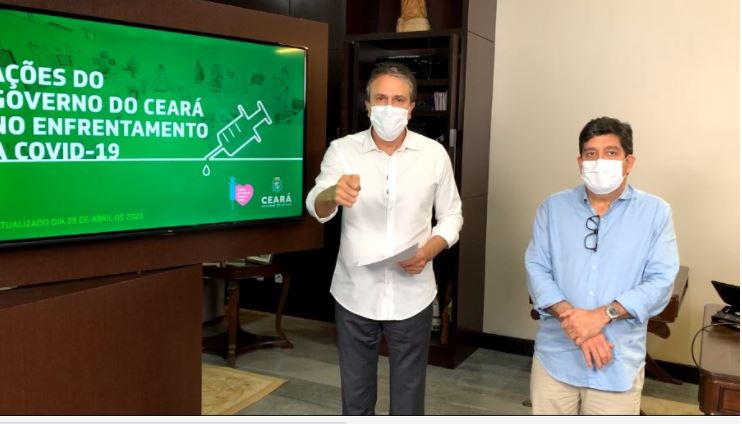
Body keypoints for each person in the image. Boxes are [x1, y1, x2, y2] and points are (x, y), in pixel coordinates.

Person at [305, 62, 463, 415]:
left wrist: (430, 250)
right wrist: (333, 194)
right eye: (381, 98)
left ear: (411, 107)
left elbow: (452, 214)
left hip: (413, 294)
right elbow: (315, 204)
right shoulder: (343, 150)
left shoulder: (433, 155)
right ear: (368, 105)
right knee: (356, 400)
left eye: (398, 100)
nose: (389, 107)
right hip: (355, 292)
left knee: (408, 403)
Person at [525, 117, 679, 415]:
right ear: (580, 162)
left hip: (616, 360)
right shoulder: (552, 208)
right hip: (556, 357)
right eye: (591, 154)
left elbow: (661, 281)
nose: (599, 162)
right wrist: (578, 323)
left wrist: (602, 316)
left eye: (611, 153)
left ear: (628, 162)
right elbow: (536, 268)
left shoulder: (655, 213)